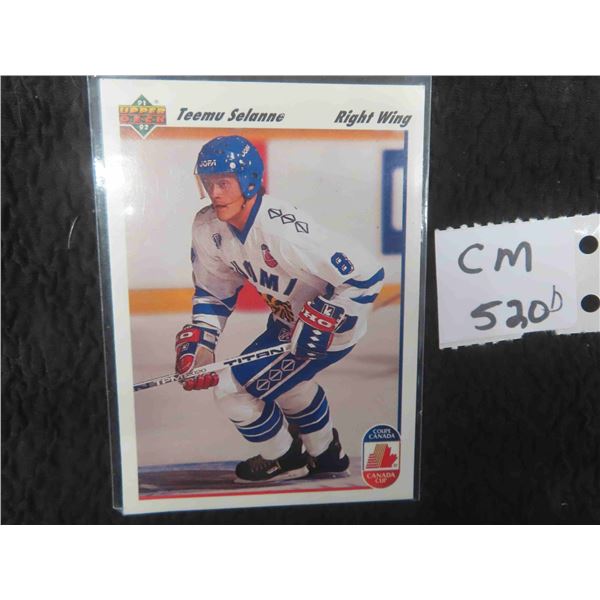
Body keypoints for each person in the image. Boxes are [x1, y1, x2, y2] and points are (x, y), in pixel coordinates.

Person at [175, 135, 384, 483]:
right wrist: (203, 343)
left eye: (224, 183)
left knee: (231, 392)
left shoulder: (281, 230)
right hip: (286, 325)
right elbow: (214, 291)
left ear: (249, 181)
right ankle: (326, 456)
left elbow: (367, 275)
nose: (215, 193)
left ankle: (286, 457)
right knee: (290, 386)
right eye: (209, 183)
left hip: (328, 330)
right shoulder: (208, 227)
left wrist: (328, 318)